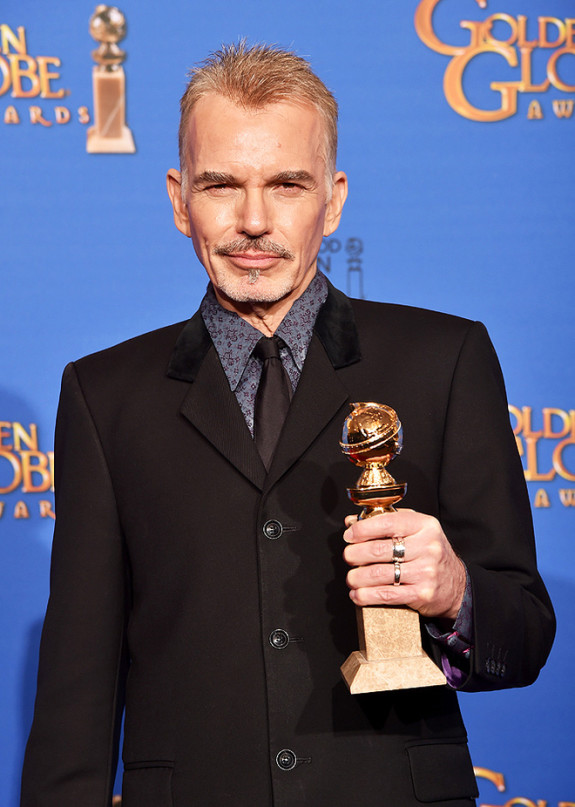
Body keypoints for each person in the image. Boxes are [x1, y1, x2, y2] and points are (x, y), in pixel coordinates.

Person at [21, 42, 554, 807]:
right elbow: (77, 692)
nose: (252, 221)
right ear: (178, 200)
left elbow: (524, 638)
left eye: (286, 184)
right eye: (220, 185)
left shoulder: (446, 359)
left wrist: (455, 591)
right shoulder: (105, 396)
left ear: (332, 199)